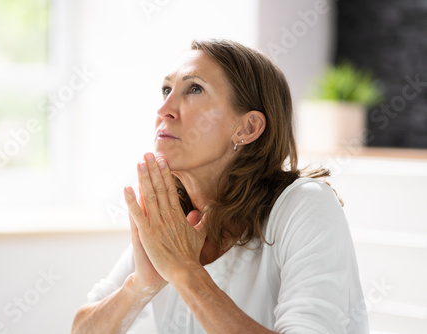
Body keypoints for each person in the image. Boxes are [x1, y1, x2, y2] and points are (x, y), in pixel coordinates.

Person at [71, 39, 369, 334]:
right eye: (166, 90)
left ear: (247, 128)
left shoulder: (304, 206)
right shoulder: (170, 218)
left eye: (195, 89)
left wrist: (186, 272)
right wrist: (140, 285)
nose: (164, 109)